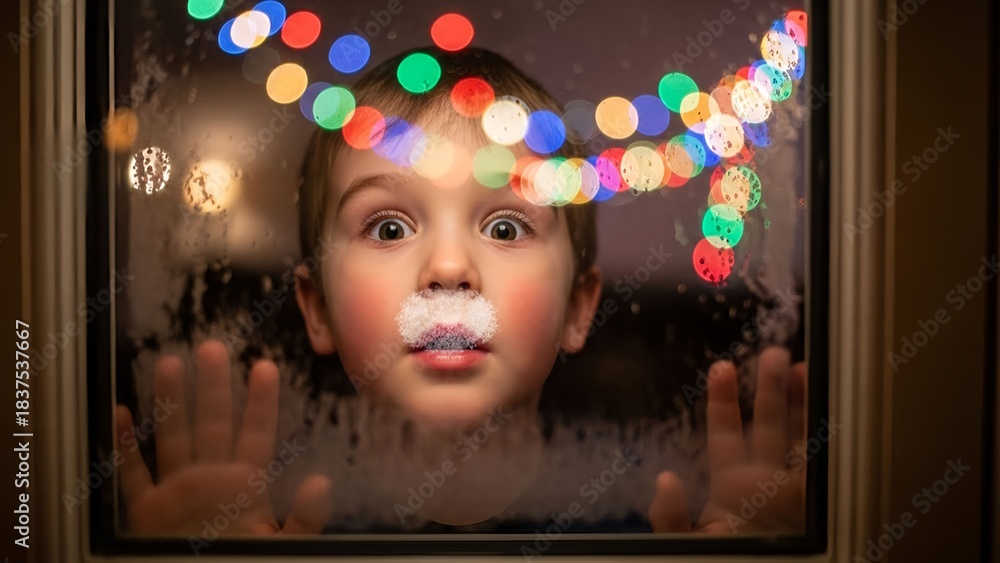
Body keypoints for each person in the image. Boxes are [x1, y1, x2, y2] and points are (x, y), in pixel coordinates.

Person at [114, 46, 806, 537]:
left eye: (505, 226)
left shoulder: (651, 507)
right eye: (388, 227)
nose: (448, 266)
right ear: (317, 307)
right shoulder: (269, 516)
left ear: (578, 308)